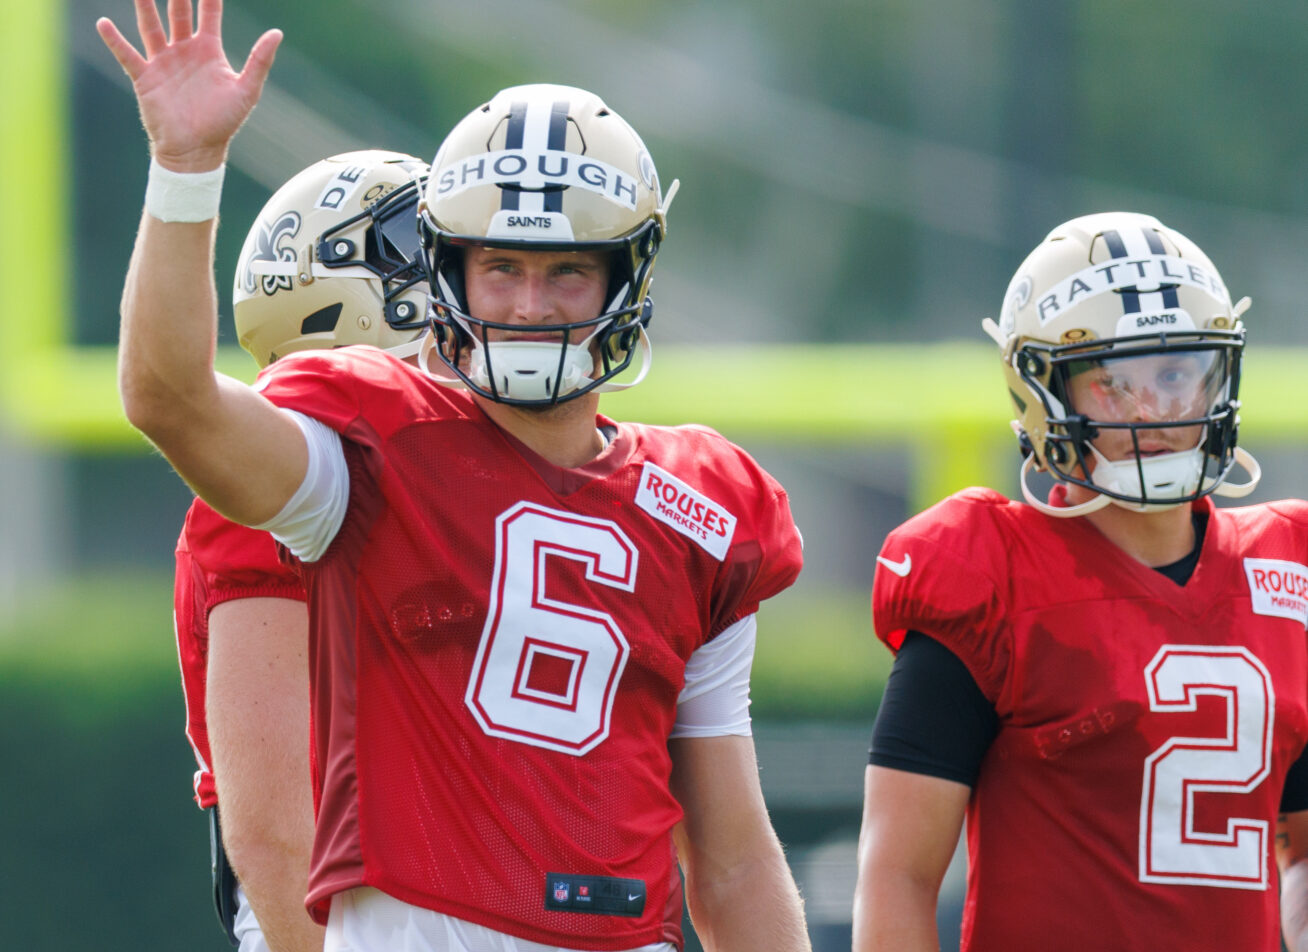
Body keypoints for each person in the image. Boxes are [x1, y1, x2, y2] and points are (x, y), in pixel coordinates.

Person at [95, 2, 813, 950]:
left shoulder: (704, 506)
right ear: (448, 276)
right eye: (500, 266)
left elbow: (731, 859)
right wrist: (186, 173)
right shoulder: (366, 448)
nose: (527, 304)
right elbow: (169, 400)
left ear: (626, 280)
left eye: (566, 274)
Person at [852, 211, 1308, 952]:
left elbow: (1304, 849)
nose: (1153, 409)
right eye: (1110, 381)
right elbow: (897, 877)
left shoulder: (1288, 570)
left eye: (1174, 374)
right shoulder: (989, 572)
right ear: (1044, 394)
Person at [176, 149, 431, 952]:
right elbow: (277, 829)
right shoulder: (288, 485)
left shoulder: (433, 470)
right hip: (337, 905)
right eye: (419, 250)